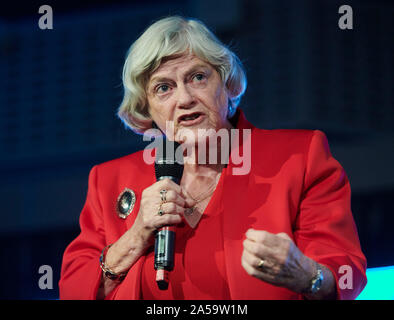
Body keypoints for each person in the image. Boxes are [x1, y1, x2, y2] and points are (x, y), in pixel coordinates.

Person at [59, 16, 367, 300]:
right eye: (163, 87)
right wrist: (136, 235)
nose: (185, 98)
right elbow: (73, 290)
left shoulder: (298, 158)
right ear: (146, 109)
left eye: (197, 77)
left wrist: (306, 276)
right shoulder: (110, 180)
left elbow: (345, 273)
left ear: (228, 85)